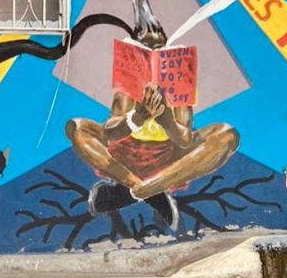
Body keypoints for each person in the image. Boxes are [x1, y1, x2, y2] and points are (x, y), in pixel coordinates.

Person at [66, 81, 239, 229]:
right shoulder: (130, 78)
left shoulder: (178, 79)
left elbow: (184, 140)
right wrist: (136, 118)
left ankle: (143, 191)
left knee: (227, 136)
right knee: (77, 127)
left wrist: (168, 121)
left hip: (168, 161)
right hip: (123, 159)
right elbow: (110, 132)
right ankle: (144, 189)